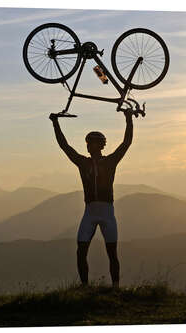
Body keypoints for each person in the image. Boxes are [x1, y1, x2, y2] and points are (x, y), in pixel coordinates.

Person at [49, 110, 134, 288]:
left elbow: (126, 143)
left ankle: (115, 287)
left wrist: (128, 119)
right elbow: (64, 146)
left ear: (98, 145)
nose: (87, 146)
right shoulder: (85, 162)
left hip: (102, 212)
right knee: (81, 252)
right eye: (87, 143)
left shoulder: (107, 161)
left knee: (111, 253)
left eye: (90, 143)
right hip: (95, 212)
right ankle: (85, 288)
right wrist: (55, 123)